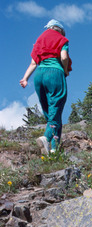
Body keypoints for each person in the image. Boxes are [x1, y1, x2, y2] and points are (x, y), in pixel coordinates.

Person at [20, 19, 72, 155]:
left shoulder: (39, 40)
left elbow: (33, 63)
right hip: (54, 73)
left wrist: (25, 79)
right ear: (59, 30)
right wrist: (65, 70)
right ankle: (46, 138)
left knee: (51, 113)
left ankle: (53, 149)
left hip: (39, 75)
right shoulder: (62, 39)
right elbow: (64, 57)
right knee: (56, 107)